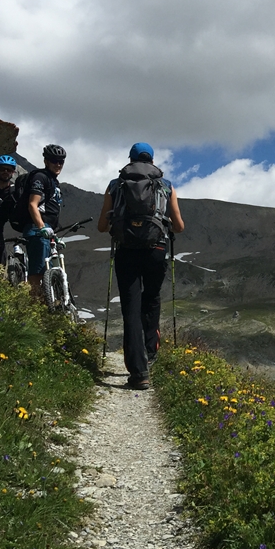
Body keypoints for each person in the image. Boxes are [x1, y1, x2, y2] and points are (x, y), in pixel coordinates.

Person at [98, 142, 184, 390]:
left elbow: (103, 226)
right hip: (156, 249)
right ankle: (151, 351)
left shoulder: (116, 185)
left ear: (131, 160)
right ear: (152, 161)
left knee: (131, 308)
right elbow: (178, 226)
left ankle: (139, 372)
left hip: (127, 250)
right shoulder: (166, 185)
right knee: (152, 297)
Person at [23, 144, 66, 301]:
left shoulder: (54, 181)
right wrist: (41, 227)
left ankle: (46, 304)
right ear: (46, 161)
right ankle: (33, 306)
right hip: (37, 229)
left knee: (46, 269)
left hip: (48, 230)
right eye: (54, 161)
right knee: (38, 270)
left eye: (61, 161)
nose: (58, 164)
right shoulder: (40, 178)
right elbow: (32, 205)